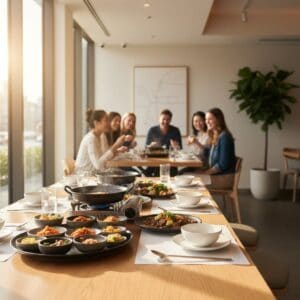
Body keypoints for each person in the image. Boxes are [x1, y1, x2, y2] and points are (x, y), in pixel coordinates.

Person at [75, 109, 129, 173]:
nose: (109, 123)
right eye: (106, 120)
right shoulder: (90, 139)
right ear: (96, 123)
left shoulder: (102, 136)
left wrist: (117, 149)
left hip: (95, 174)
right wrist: (116, 145)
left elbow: (106, 156)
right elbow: (98, 165)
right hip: (85, 177)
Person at [203, 108, 236, 189]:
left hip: (224, 178)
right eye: (206, 119)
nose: (206, 122)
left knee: (193, 183)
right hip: (216, 175)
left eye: (210, 119)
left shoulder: (225, 137)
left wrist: (205, 173)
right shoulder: (215, 136)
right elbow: (207, 155)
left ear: (218, 120)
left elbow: (222, 165)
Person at [145, 109, 182, 176]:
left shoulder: (175, 130)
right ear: (159, 119)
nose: (165, 121)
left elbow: (180, 148)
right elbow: (146, 148)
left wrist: (176, 147)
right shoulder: (152, 130)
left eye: (168, 119)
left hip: (171, 163)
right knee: (149, 173)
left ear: (170, 120)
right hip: (154, 162)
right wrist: (150, 146)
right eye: (163, 119)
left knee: (172, 173)